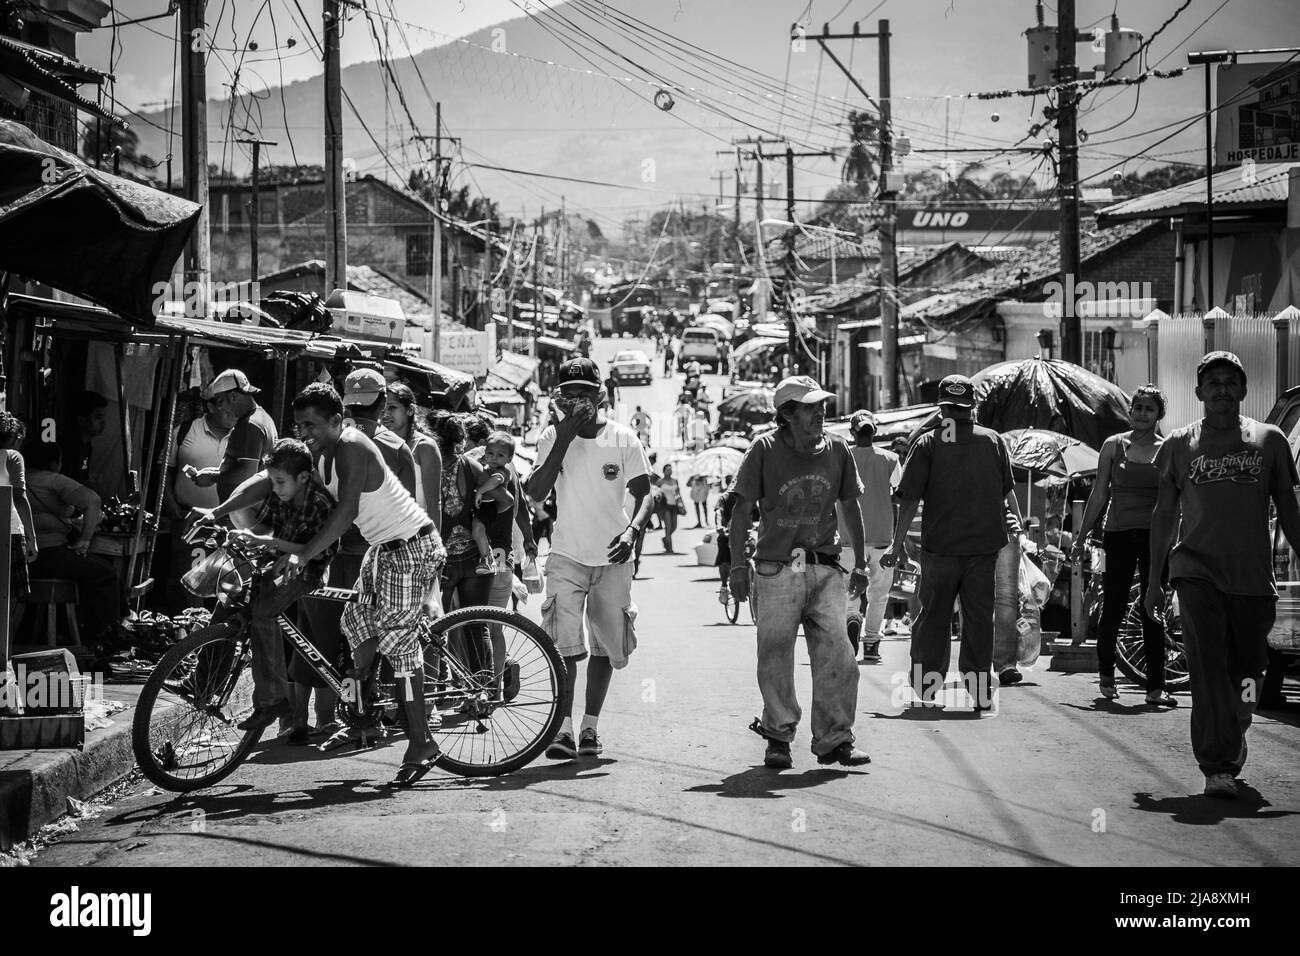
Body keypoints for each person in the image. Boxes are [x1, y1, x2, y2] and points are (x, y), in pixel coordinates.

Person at [270, 384, 446, 787]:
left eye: (311, 424)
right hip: (383, 550)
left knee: (400, 648)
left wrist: (303, 553)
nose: (304, 433)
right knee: (356, 625)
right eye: (298, 426)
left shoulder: (351, 446)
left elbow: (346, 512)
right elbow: (277, 484)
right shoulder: (318, 453)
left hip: (412, 548)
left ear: (337, 421)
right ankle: (363, 717)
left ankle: (422, 743)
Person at [1146, 352, 1300, 800]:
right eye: (1212, 382)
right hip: (1194, 573)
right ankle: (1217, 764)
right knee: (1208, 670)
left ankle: (1238, 724)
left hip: (1252, 579)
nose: (1221, 390)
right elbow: (1163, 513)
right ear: (1198, 393)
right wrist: (1155, 580)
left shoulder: (1269, 440)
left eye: (1230, 382)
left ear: (1244, 390)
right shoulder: (1177, 444)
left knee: (1250, 675)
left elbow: (1288, 510)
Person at [728, 375, 871, 769]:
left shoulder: (839, 449)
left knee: (838, 656)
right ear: (788, 415)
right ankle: (778, 735)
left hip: (825, 567)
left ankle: (835, 739)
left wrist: (859, 564)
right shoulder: (765, 449)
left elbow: (850, 508)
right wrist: (738, 566)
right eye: (810, 408)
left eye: (822, 405)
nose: (820, 413)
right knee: (775, 656)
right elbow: (741, 510)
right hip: (775, 570)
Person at [527, 357, 653, 760]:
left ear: (601, 395)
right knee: (564, 646)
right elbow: (534, 491)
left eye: (586, 393)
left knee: (605, 648)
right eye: (570, 393)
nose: (579, 401)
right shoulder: (550, 437)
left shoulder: (622, 438)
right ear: (559, 397)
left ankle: (590, 728)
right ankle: (562, 730)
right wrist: (564, 436)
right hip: (565, 554)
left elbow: (645, 491)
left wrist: (633, 531)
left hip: (613, 557)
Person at [883, 375, 1020, 712]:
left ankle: (927, 688)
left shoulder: (929, 443)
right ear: (972, 407)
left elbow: (909, 499)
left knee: (934, 618)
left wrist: (895, 545)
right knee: (977, 619)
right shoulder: (993, 442)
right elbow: (1006, 492)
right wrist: (1018, 529)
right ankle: (979, 690)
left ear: (942, 407)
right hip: (982, 550)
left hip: (940, 549)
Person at [189, 438, 339, 739]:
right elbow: (264, 527)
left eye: (280, 482)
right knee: (229, 599)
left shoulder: (319, 502)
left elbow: (312, 549)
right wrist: (244, 535)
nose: (276, 488)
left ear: (303, 478)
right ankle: (203, 681)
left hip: (306, 570)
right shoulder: (281, 494)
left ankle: (273, 700)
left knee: (264, 613)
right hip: (276, 562)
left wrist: (270, 543)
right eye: (272, 481)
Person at [1074, 385, 1170, 703]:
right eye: (1137, 407)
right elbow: (1100, 492)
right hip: (1116, 534)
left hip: (1156, 538)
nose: (1142, 413)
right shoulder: (1114, 445)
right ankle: (1105, 675)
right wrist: (1082, 534)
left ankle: (1155, 687)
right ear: (1130, 411)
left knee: (1152, 608)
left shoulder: (1168, 448)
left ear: (1159, 415)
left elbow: (1176, 500)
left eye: (1149, 409)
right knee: (1113, 605)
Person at [22, 441, 121, 646]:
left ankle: (66, 631)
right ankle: (105, 638)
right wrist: (84, 540)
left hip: (21, 559)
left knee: (87, 573)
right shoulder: (52, 480)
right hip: (49, 554)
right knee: (106, 574)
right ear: (55, 462)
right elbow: (92, 501)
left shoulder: (15, 479)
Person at [839, 410, 902, 663]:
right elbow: (901, 495)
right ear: (874, 432)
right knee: (879, 593)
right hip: (882, 538)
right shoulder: (890, 458)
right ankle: (872, 643)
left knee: (847, 590)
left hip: (846, 539)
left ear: (852, 433)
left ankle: (852, 617)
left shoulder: (842, 458)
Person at [190, 369, 278, 528]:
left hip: (242, 517)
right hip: (246, 515)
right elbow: (244, 468)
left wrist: (212, 477)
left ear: (233, 396)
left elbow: (246, 474)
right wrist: (214, 473)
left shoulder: (250, 425)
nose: (220, 407)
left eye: (220, 400)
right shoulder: (262, 418)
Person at [382, 382, 443, 522]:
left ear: (410, 410)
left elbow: (434, 504)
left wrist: (436, 543)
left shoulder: (424, 447)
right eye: (382, 409)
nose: (385, 415)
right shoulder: (377, 444)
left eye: (392, 408)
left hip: (416, 535)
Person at [0, 415, 38, 605]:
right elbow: (20, 498)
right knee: (9, 597)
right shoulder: (13, 456)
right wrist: (32, 538)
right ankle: (7, 636)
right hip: (10, 533)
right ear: (16, 439)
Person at [471, 431, 517, 575]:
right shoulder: (486, 468)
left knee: (478, 529)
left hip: (488, 507)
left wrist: (480, 491)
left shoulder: (502, 471)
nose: (494, 458)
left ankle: (486, 559)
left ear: (509, 459)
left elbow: (494, 481)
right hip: (482, 506)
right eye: (490, 453)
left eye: (500, 455)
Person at [63, 391, 108, 489]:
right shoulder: (68, 447)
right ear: (81, 420)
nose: (103, 422)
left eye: (104, 417)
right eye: (98, 417)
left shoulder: (87, 445)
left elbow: (81, 476)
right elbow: (65, 484)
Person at [656, 463, 682, 552]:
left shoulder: (675, 481)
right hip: (664, 506)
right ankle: (669, 547)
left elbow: (678, 493)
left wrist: (680, 503)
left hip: (674, 505)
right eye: (667, 470)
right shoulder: (660, 481)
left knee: (674, 526)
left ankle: (666, 538)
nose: (669, 471)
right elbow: (656, 492)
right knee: (668, 527)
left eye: (670, 469)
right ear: (664, 471)